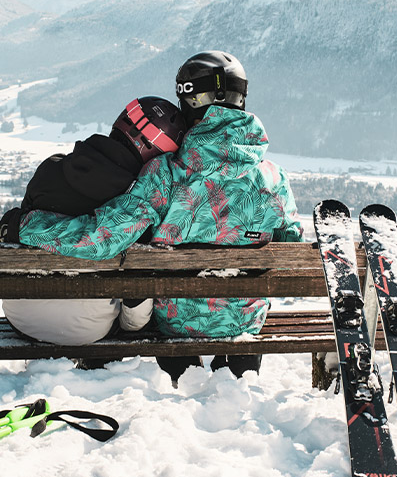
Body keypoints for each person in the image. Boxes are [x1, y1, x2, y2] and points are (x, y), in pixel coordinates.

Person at [16, 50, 303, 383]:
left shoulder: (165, 175)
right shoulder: (275, 178)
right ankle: (239, 381)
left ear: (189, 101)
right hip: (245, 319)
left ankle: (183, 380)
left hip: (176, 322)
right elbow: (289, 250)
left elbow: (101, 239)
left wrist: (29, 226)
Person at [0, 96, 189, 346]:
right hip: (86, 329)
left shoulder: (49, 170)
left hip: (20, 315)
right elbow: (136, 304)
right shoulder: (137, 207)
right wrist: (131, 326)